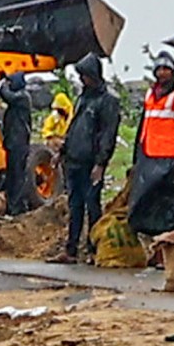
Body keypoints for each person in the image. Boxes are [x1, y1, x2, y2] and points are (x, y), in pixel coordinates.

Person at [54, 55, 120, 263]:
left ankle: (94, 250)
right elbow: (73, 128)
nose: (83, 80)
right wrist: (62, 151)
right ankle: (71, 250)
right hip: (73, 161)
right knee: (75, 206)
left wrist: (101, 164)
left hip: (91, 163)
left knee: (92, 206)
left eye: (86, 76)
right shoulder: (83, 98)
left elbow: (108, 135)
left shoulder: (107, 101)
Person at [127, 56, 174, 243]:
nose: (162, 73)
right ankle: (155, 246)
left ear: (173, 71)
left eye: (166, 69)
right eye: (159, 69)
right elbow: (144, 126)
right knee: (146, 203)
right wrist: (136, 158)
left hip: (171, 156)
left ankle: (168, 249)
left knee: (167, 206)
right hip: (149, 154)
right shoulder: (151, 93)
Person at [0, 68, 45, 213]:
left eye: (12, 81)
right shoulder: (19, 98)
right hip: (14, 142)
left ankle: (18, 207)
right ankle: (13, 206)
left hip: (19, 143)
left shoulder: (22, 96)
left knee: (18, 175)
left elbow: (6, 95)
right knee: (13, 175)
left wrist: (3, 82)